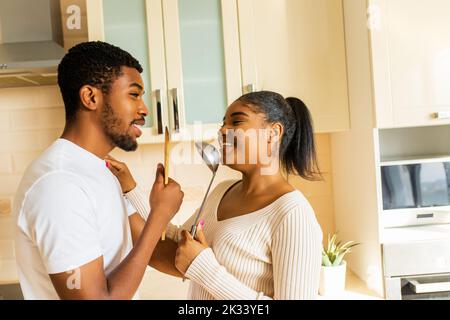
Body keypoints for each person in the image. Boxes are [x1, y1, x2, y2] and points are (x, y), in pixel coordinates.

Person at [109, 91, 323, 300]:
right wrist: (129, 187)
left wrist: (203, 268)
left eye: (236, 122)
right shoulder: (223, 190)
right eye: (223, 123)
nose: (222, 131)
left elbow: (197, 262)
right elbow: (178, 241)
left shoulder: (293, 214)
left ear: (273, 133)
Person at [13, 41, 184, 300]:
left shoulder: (101, 169)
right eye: (134, 94)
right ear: (91, 97)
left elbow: (154, 251)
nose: (144, 109)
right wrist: (159, 215)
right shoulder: (59, 185)